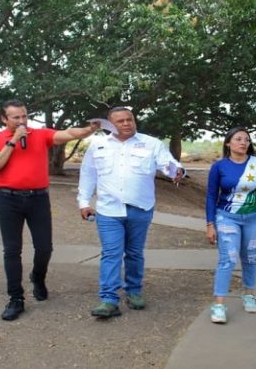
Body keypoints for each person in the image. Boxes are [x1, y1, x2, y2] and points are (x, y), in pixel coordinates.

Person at [0, 100, 100, 321]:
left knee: (45, 247)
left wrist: (89, 130)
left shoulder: (39, 134)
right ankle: (16, 298)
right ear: (3, 119)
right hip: (9, 199)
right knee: (11, 250)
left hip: (38, 198)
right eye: (16, 117)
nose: (21, 121)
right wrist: (13, 141)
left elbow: (68, 134)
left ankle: (38, 277)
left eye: (24, 116)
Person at [77, 107, 184, 319]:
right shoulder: (98, 145)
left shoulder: (152, 143)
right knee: (111, 253)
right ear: (110, 124)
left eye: (130, 119)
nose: (127, 124)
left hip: (141, 208)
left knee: (134, 253)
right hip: (109, 210)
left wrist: (176, 171)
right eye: (121, 121)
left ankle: (134, 291)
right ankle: (108, 299)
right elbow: (88, 174)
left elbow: (168, 164)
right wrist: (84, 201)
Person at [205, 127, 256, 324]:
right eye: (238, 139)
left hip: (255, 217)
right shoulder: (219, 167)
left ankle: (249, 294)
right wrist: (210, 224)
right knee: (229, 258)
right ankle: (218, 304)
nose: (243, 143)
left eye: (246, 139)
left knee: (251, 257)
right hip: (227, 217)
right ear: (228, 143)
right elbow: (211, 196)